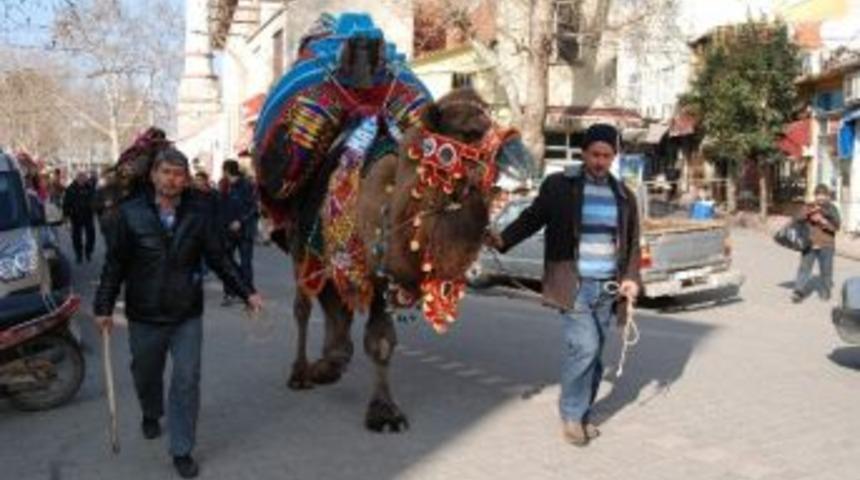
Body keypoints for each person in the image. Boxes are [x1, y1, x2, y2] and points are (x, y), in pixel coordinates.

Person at [93, 147, 264, 478]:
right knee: (146, 373)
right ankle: (151, 411)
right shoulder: (129, 214)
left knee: (187, 380)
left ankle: (182, 448)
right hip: (144, 314)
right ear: (154, 175)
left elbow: (219, 257)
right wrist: (103, 307)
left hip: (186, 313)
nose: (172, 179)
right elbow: (115, 265)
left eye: (179, 174)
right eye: (166, 172)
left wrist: (247, 292)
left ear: (186, 180)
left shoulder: (199, 213)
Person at [486, 123, 641, 447]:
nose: (600, 161)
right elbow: (533, 217)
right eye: (595, 154)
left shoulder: (624, 195)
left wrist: (630, 278)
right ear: (584, 153)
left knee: (595, 354)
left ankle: (582, 412)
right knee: (583, 348)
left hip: (608, 288)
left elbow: (632, 242)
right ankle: (572, 415)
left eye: (607, 155)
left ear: (614, 156)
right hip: (574, 283)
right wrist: (502, 240)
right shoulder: (559, 185)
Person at [219, 159, 259, 306]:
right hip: (227, 231)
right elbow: (220, 206)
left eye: (223, 170)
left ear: (227, 170)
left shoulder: (247, 185)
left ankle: (248, 294)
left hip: (245, 232)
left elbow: (254, 208)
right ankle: (229, 293)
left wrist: (240, 221)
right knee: (227, 262)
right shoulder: (223, 185)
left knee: (246, 263)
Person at [793, 184, 841, 303]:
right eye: (818, 195)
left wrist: (823, 221)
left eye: (823, 195)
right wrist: (808, 214)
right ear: (815, 196)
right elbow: (797, 218)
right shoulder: (809, 206)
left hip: (827, 245)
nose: (821, 198)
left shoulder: (832, 209)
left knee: (826, 270)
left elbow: (836, 227)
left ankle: (825, 291)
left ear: (827, 196)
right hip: (809, 243)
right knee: (804, 269)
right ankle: (798, 291)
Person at [63, 171, 97, 263]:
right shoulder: (70, 189)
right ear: (77, 178)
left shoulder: (90, 188)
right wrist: (66, 215)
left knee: (91, 236)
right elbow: (66, 203)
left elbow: (95, 199)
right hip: (75, 216)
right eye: (80, 178)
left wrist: (96, 208)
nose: (82, 180)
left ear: (86, 179)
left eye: (84, 178)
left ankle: (88, 252)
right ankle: (79, 255)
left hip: (88, 215)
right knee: (76, 238)